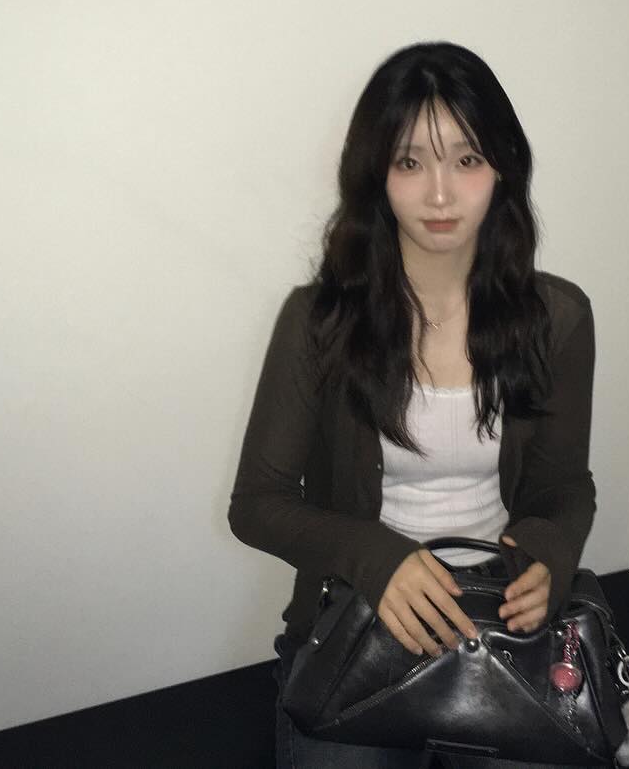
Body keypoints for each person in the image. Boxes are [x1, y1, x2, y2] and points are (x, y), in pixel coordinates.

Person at [229, 42, 597, 768]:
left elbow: (564, 486)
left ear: (503, 168)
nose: (440, 195)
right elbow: (257, 503)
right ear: (376, 174)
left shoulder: (557, 318)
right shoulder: (318, 321)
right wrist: (377, 556)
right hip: (358, 615)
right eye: (409, 162)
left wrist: (551, 554)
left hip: (498, 619)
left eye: (467, 160)